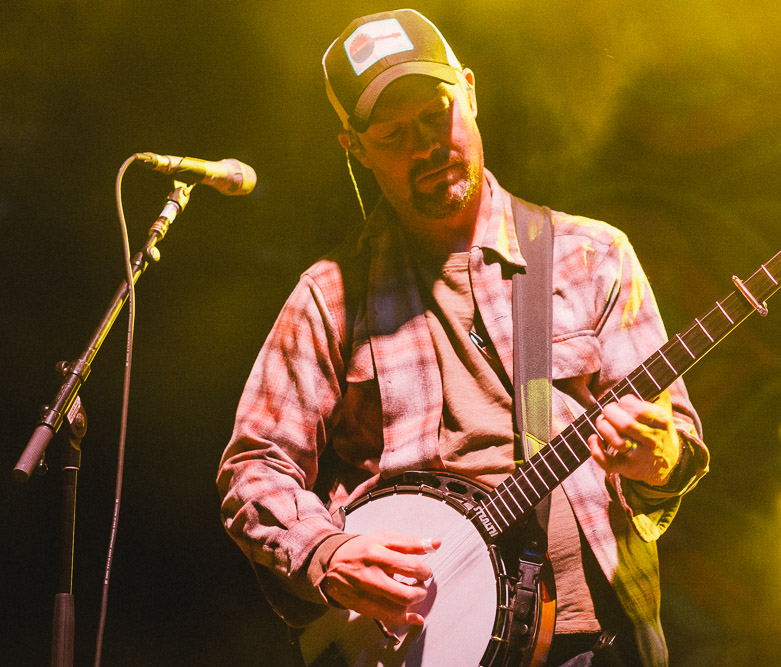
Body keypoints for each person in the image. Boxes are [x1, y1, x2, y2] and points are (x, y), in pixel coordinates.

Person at [217, 9, 708, 666]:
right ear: (355, 150)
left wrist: (658, 459)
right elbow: (254, 468)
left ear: (470, 92)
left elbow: (673, 448)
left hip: (595, 640)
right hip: (410, 646)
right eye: (394, 135)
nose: (426, 145)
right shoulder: (330, 294)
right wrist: (325, 553)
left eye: (436, 114)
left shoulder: (594, 257)